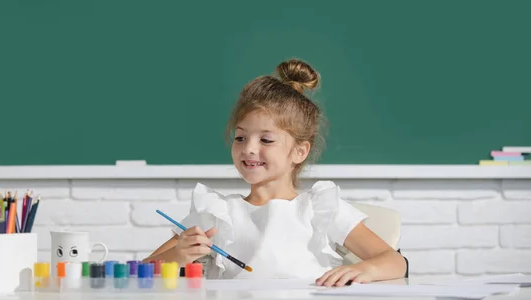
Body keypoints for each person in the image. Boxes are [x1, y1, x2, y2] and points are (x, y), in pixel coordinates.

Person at [144, 59, 407, 287]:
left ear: (300, 151)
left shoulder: (321, 208)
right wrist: (179, 254)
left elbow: (395, 262)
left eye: (266, 140)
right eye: (240, 138)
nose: (248, 149)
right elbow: (144, 268)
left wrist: (363, 269)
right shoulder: (216, 213)